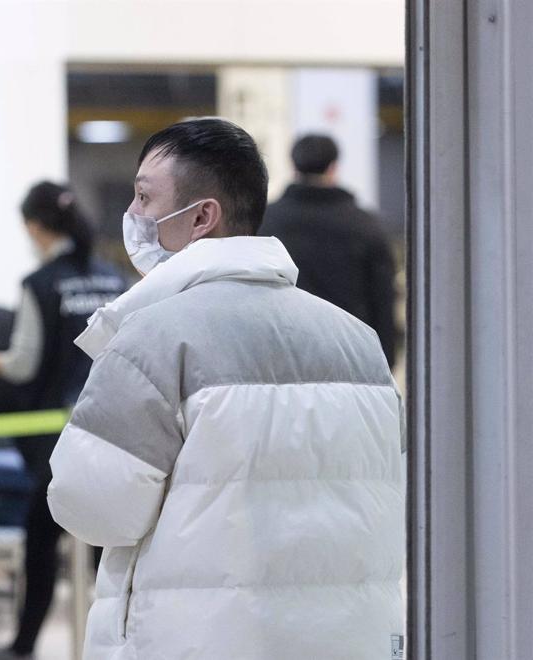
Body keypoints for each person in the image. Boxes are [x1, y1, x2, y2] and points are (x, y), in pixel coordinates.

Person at [47, 118, 405, 660]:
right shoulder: (361, 343)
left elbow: (94, 506)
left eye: (144, 197)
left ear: (201, 217)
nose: (134, 215)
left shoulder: (153, 337)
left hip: (197, 638)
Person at [0, 181, 126, 660]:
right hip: (113, 432)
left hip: (58, 441)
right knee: (108, 549)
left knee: (42, 540)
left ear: (37, 227)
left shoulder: (40, 284)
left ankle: (23, 645)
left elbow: (23, 362)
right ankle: (121, 642)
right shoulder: (111, 278)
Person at [259, 134, 398, 366]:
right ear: (334, 167)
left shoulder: (265, 221)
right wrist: (386, 361)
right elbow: (382, 299)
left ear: (293, 166)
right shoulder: (365, 225)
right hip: (349, 357)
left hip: (279, 356)